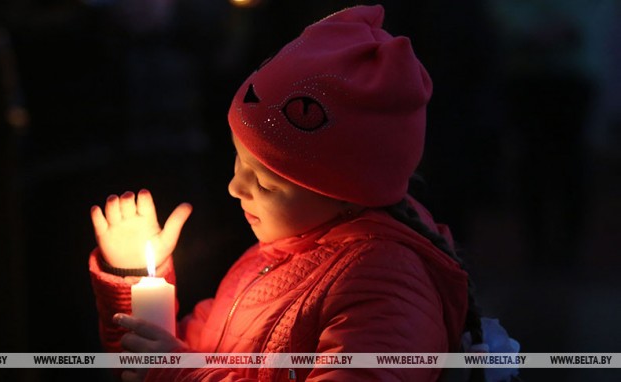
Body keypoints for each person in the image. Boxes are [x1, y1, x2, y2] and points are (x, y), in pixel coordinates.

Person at [88, 5, 519, 381]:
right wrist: (136, 284)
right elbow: (185, 355)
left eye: (265, 181)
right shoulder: (271, 257)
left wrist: (176, 371)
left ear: (345, 191)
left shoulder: (387, 287)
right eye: (239, 164)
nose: (235, 189)